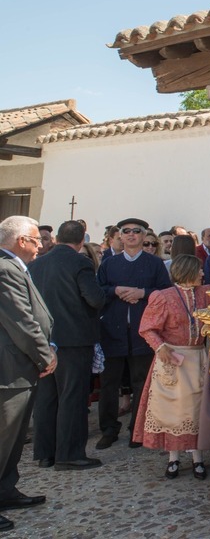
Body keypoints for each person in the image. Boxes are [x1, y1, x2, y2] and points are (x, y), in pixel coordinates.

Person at [27, 220, 105, 470]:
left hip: (43, 339)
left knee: (46, 397)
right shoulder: (80, 262)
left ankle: (45, 453)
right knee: (72, 396)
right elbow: (93, 298)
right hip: (73, 340)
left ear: (57, 238)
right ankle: (69, 454)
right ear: (81, 241)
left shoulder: (37, 264)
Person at [95, 218, 172, 450]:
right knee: (109, 383)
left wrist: (143, 292)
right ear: (119, 235)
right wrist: (116, 290)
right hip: (113, 330)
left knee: (141, 382)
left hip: (142, 332)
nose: (131, 235)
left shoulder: (155, 264)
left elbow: (165, 292)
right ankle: (108, 429)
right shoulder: (109, 264)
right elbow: (98, 292)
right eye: (126, 231)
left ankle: (136, 430)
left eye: (136, 231)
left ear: (144, 235)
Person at [0, 216, 55, 533]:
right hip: (9, 369)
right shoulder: (5, 268)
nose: (40, 246)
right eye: (37, 240)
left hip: (20, 368)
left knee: (13, 441)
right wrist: (45, 355)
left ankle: (5, 490)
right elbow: (21, 321)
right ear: (22, 240)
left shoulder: (13, 266)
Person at [133, 255, 210, 480]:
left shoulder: (205, 294)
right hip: (173, 360)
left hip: (197, 358)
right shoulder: (163, 297)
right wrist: (160, 348)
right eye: (199, 270)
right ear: (187, 271)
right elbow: (147, 328)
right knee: (172, 411)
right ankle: (173, 458)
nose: (202, 273)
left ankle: (198, 459)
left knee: (196, 410)